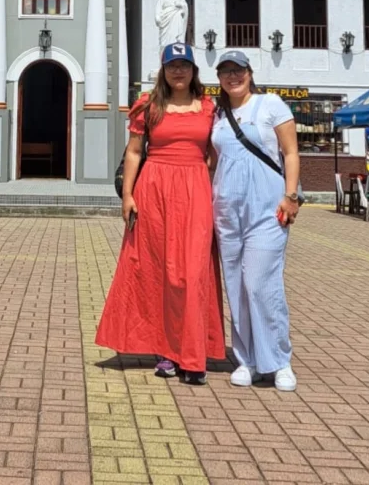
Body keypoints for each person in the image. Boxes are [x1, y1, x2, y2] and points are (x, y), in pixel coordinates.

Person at [95, 42, 225, 385]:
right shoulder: (148, 106)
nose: (178, 71)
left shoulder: (209, 108)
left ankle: (193, 353)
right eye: (172, 66)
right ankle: (166, 352)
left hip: (195, 190)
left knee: (193, 272)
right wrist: (127, 196)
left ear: (194, 70)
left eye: (184, 65)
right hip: (153, 190)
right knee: (159, 271)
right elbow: (135, 153)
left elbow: (217, 156)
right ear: (163, 71)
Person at [211, 50, 301, 391]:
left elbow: (290, 152)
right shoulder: (218, 114)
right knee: (235, 285)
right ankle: (246, 359)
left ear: (250, 73)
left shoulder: (271, 104)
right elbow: (209, 162)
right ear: (219, 78)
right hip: (227, 212)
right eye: (226, 71)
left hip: (267, 211)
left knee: (262, 285)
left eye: (239, 70)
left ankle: (278, 361)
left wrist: (291, 195)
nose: (233, 76)